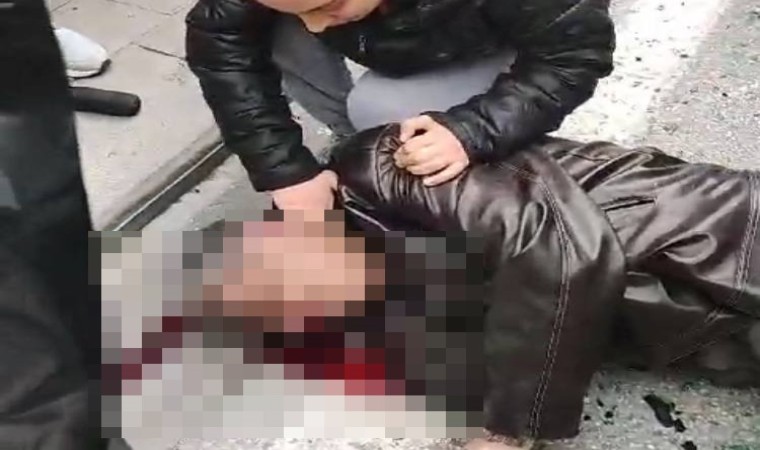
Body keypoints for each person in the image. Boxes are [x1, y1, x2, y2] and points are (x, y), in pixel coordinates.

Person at [185, 0, 615, 211]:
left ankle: (395, 145)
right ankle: (360, 149)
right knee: (266, 29)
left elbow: (572, 57)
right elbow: (219, 43)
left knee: (380, 111)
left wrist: (472, 129)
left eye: (329, 5)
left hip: (494, 37)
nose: (313, 26)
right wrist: (286, 172)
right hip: (396, 30)